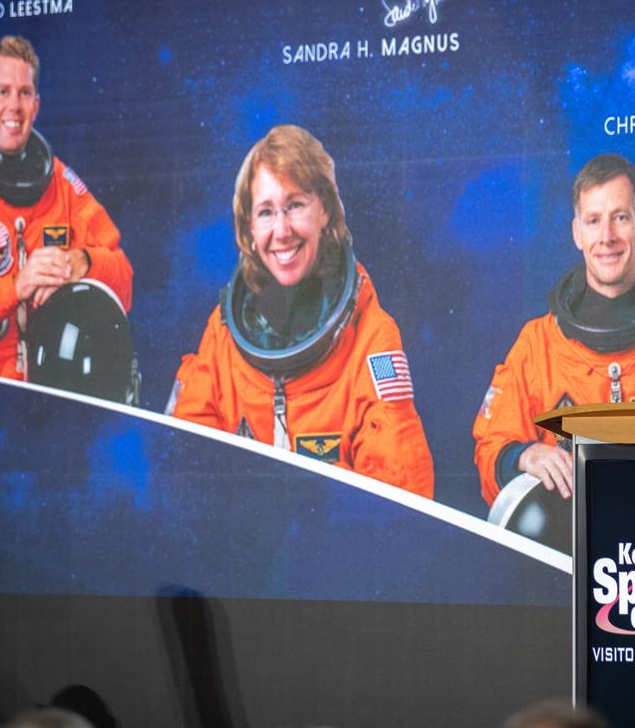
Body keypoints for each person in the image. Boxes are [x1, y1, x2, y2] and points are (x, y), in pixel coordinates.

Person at [168, 125, 435, 497]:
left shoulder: (372, 338)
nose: (281, 231)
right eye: (265, 212)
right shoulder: (225, 332)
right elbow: (181, 465)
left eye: (295, 205)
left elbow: (401, 497)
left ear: (325, 209)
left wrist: (302, 490)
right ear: (248, 226)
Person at [473, 154, 635, 507]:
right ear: (577, 233)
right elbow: (491, 452)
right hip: (561, 552)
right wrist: (524, 455)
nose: (607, 236)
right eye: (594, 221)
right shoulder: (537, 346)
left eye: (621, 218)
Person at [0, 36, 133, 379]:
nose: (14, 107)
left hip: (49, 404)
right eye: (3, 92)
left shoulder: (63, 187)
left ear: (36, 105)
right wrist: (15, 287)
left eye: (24, 93)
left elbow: (124, 283)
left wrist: (82, 262)